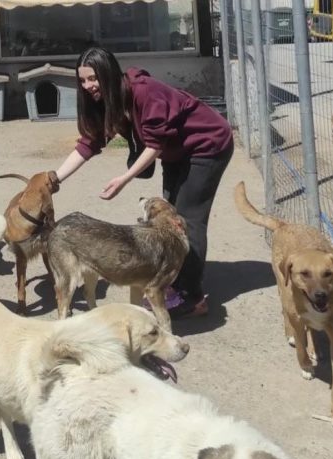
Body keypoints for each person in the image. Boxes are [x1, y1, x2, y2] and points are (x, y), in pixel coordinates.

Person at [50, 47, 233, 318]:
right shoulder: (106, 101)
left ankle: (191, 298)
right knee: (168, 216)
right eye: (83, 80)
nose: (88, 86)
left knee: (185, 221)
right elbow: (89, 143)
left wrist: (124, 179)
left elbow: (155, 144)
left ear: (108, 74)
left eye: (93, 78)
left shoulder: (145, 91)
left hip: (207, 143)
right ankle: (174, 282)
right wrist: (54, 179)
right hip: (176, 150)